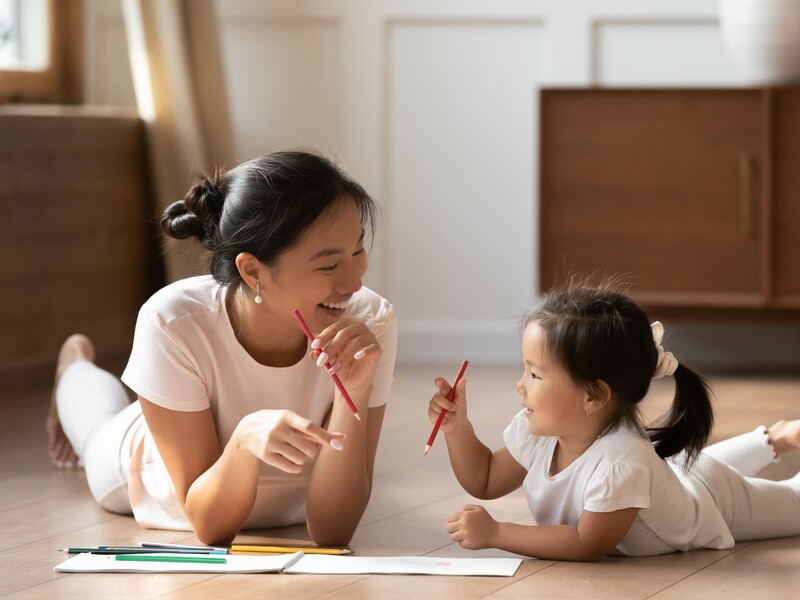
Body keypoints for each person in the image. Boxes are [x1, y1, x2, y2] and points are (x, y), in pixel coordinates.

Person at [46, 149, 397, 546]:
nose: (353, 282)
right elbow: (210, 526)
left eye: (357, 251)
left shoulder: (370, 321)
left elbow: (333, 532)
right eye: (329, 266)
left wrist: (355, 389)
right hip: (151, 473)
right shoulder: (173, 322)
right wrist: (244, 441)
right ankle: (73, 365)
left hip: (286, 507)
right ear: (252, 270)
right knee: (95, 427)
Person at [427, 280, 800, 560]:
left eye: (536, 375)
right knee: (692, 470)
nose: (520, 386)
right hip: (678, 476)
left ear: (593, 395)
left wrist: (497, 533)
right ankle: (775, 438)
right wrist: (458, 428)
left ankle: (777, 439)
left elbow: (586, 542)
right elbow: (486, 478)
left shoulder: (623, 461)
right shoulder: (541, 430)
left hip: (715, 502)